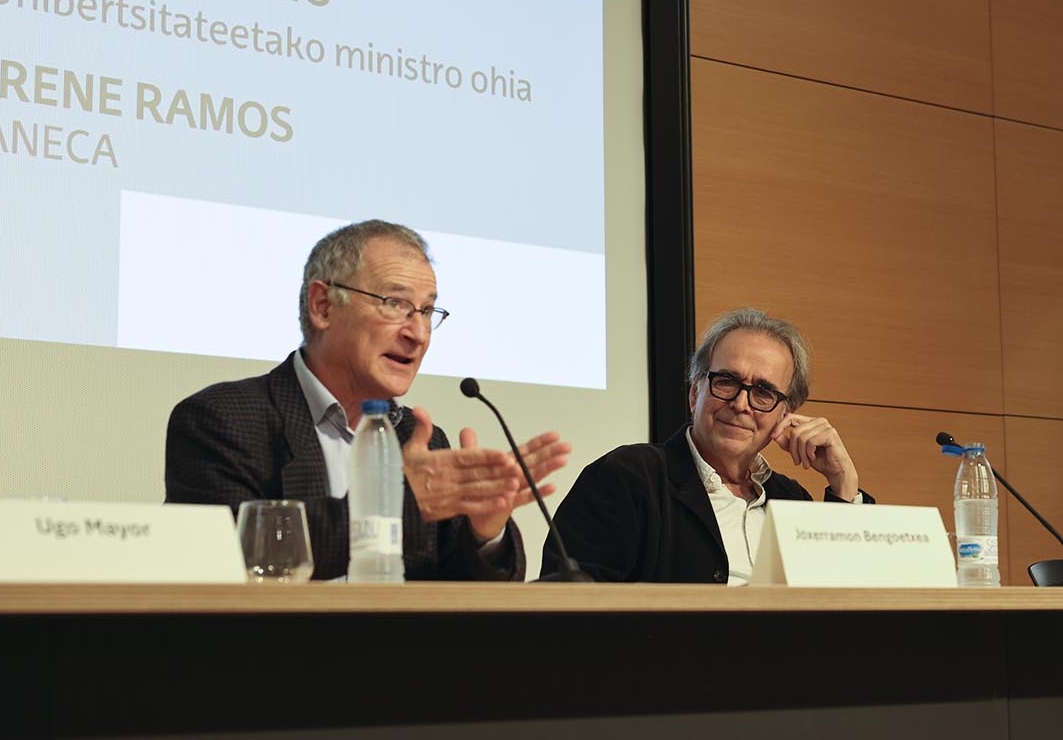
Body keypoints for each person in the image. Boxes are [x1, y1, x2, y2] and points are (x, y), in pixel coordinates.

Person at [166, 219, 569, 580]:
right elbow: (226, 562)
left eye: (428, 311)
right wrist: (401, 507)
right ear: (322, 306)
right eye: (396, 304)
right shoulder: (221, 420)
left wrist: (484, 534)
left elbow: (458, 597)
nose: (420, 334)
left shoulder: (421, 438)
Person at [544, 307, 873, 583]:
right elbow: (571, 607)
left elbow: (846, 599)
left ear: (783, 415)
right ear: (694, 393)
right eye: (727, 382)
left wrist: (844, 484)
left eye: (763, 392)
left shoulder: (791, 500)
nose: (741, 404)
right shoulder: (627, 479)